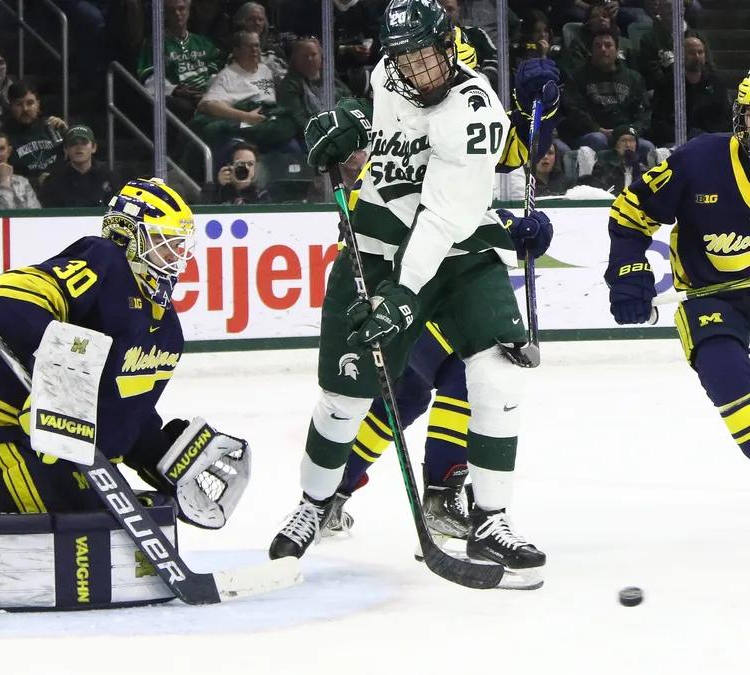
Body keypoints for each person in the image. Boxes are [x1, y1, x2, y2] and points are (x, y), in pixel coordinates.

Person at [0, 178, 251, 615]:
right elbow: (6, 298)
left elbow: (125, 415)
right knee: (70, 534)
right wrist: (62, 360)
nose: (177, 258)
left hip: (61, 447)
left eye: (180, 246)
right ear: (127, 235)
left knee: (120, 522)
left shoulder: (166, 331)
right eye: (164, 244)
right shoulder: (103, 261)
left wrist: (162, 452)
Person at [268, 0, 545, 588]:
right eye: (408, 60)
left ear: (452, 47)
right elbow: (381, 139)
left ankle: (490, 517)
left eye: (431, 58)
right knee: (345, 398)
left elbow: (444, 219)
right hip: (371, 251)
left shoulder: (474, 113)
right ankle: (315, 504)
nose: (422, 73)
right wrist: (345, 136)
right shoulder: (384, 76)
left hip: (455, 257)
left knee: (498, 374)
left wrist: (404, 292)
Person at [321, 55, 563, 544]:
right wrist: (509, 229)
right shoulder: (408, 99)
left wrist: (538, 110)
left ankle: (385, 491)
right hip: (404, 270)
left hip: (448, 269)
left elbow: (500, 158)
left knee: (436, 383)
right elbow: (427, 206)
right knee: (431, 382)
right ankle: (386, 494)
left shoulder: (459, 89)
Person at [605, 74, 750, 465]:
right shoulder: (701, 160)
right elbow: (631, 212)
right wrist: (629, 272)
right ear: (741, 117)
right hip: (714, 301)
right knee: (731, 380)